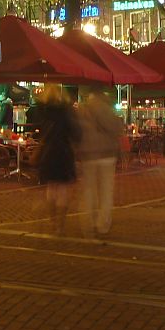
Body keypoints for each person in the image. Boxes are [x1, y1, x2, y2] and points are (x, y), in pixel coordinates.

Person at [77, 90, 123, 239]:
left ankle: (88, 222)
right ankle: (103, 224)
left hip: (88, 153)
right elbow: (116, 129)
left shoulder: (82, 110)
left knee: (89, 190)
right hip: (107, 154)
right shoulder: (107, 109)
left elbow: (78, 132)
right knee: (106, 190)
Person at [36, 87, 80, 235]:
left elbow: (40, 133)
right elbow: (75, 133)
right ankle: (60, 225)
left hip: (48, 153)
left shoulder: (43, 113)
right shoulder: (67, 113)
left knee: (51, 189)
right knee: (62, 191)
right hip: (64, 153)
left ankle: (53, 220)